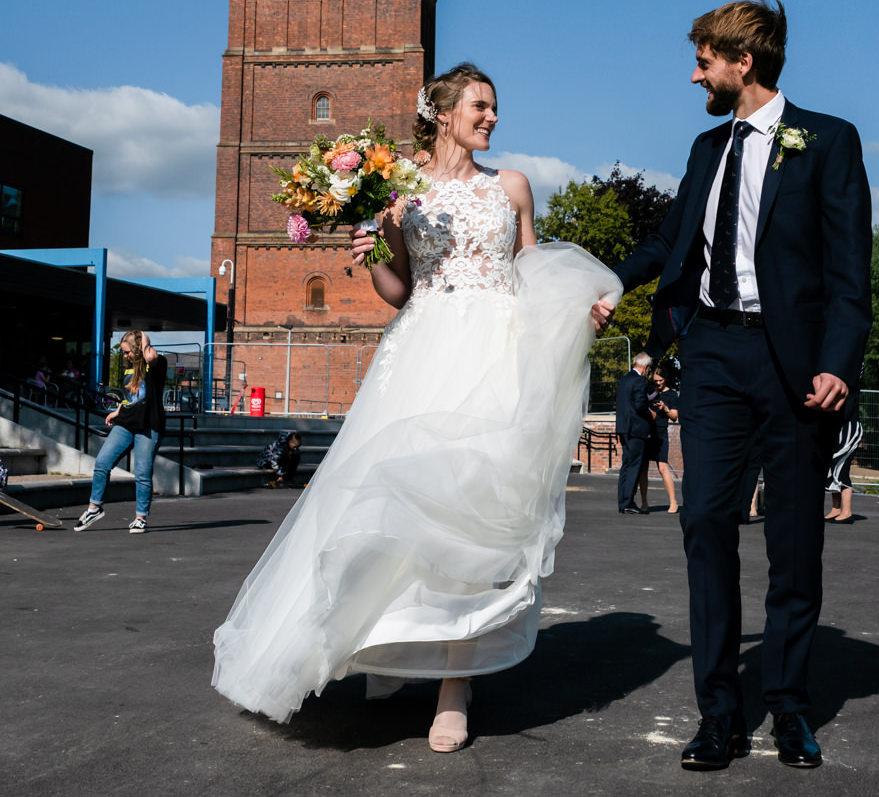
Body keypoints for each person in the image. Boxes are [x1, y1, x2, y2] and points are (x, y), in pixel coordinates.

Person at [212, 62, 619, 753]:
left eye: (495, 107)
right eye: (481, 105)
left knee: (475, 519)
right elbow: (398, 290)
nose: (492, 117)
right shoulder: (400, 187)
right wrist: (369, 249)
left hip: (498, 356)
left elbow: (532, 274)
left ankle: (454, 687)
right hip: (423, 349)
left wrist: (578, 316)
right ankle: (392, 648)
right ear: (442, 111)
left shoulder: (512, 186)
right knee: (392, 512)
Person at [599, 0, 871, 772]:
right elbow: (670, 239)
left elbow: (853, 274)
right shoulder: (704, 149)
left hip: (795, 369)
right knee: (707, 523)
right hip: (713, 356)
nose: (695, 74)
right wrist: (611, 283)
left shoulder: (827, 141)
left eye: (704, 60)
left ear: (742, 61)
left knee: (795, 540)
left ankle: (788, 706)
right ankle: (718, 710)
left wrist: (838, 363)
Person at [76, 329, 166, 534]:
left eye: (127, 352)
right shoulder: (128, 368)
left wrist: (142, 337)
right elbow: (130, 397)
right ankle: (94, 508)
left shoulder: (157, 364)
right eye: (123, 352)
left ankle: (141, 518)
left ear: (138, 349)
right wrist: (117, 411)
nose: (125, 356)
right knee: (102, 463)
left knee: (142, 474)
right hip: (125, 423)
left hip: (148, 426)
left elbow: (150, 356)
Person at [614, 352, 655, 514]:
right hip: (636, 429)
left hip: (624, 428)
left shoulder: (625, 379)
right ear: (645, 367)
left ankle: (623, 500)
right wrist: (651, 413)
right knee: (634, 466)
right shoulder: (639, 381)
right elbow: (640, 405)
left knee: (626, 465)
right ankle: (628, 501)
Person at [639, 369, 682, 514]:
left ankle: (673, 502)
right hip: (647, 432)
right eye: (655, 380)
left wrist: (665, 408)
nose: (657, 383)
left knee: (663, 468)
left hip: (661, 433)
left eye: (660, 380)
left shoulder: (671, 394)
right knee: (643, 468)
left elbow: (675, 416)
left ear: (665, 379)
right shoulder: (649, 390)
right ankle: (644, 503)